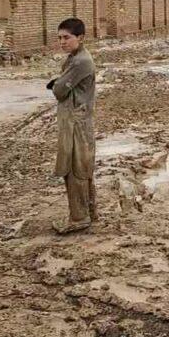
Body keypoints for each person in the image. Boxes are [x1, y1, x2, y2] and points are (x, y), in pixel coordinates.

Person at [46, 18, 97, 233]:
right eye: (59, 38)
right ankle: (89, 211)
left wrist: (56, 84)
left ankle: (79, 218)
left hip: (76, 122)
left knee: (76, 170)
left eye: (66, 37)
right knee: (82, 167)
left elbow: (59, 91)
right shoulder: (75, 58)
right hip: (78, 120)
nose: (62, 42)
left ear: (80, 37)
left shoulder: (80, 62)